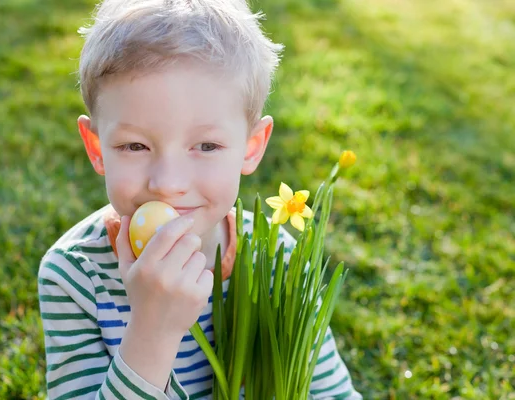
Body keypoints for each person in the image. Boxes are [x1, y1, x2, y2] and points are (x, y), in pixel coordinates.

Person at [38, 0, 362, 398]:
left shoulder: (276, 260)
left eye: (206, 145)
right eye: (135, 146)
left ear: (250, 146)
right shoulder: (74, 276)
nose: (168, 184)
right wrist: (152, 332)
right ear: (97, 148)